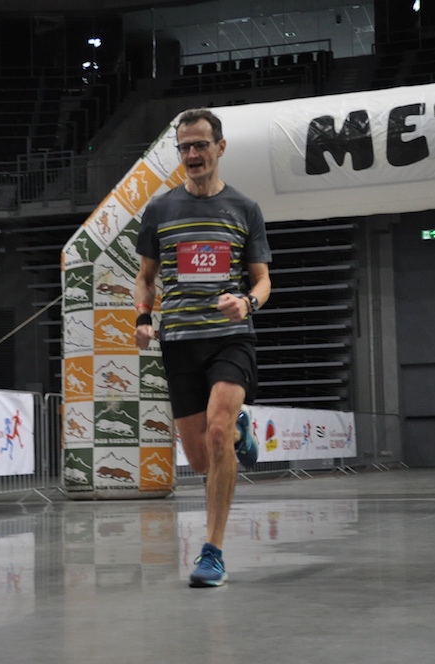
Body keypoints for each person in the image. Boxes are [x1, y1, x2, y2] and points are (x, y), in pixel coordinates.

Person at [134, 108, 272, 588]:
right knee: (198, 460)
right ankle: (239, 430)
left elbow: (263, 279)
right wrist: (143, 318)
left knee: (216, 433)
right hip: (180, 342)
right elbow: (145, 277)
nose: (192, 154)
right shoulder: (159, 210)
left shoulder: (245, 208)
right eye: (185, 147)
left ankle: (212, 552)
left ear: (220, 147)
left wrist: (248, 303)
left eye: (201, 145)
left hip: (231, 337)